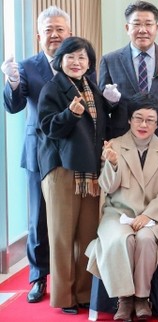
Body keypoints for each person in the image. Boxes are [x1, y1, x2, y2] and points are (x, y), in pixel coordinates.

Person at [37, 36, 118, 314]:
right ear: (60, 60)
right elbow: (49, 128)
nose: (76, 62)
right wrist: (69, 114)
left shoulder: (91, 88)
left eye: (82, 57)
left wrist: (113, 104)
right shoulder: (52, 88)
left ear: (89, 62)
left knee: (87, 236)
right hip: (62, 170)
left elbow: (100, 127)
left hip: (90, 172)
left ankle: (84, 292)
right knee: (62, 237)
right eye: (71, 56)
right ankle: (64, 297)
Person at [1, 6, 71, 303]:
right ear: (39, 34)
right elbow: (14, 105)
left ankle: (73, 277)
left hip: (73, 149)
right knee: (38, 217)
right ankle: (38, 277)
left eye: (60, 29)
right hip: (38, 150)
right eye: (49, 30)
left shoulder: (79, 61)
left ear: (69, 33)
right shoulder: (28, 66)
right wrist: (12, 82)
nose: (54, 35)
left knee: (73, 216)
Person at [85, 93, 158, 321]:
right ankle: (124, 298)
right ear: (129, 120)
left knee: (145, 239)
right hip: (118, 214)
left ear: (157, 124)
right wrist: (113, 164)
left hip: (153, 216)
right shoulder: (114, 145)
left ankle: (142, 297)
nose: (144, 125)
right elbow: (107, 187)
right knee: (122, 239)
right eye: (138, 118)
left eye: (150, 120)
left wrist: (149, 215)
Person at [99, 0, 158, 144]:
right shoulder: (110, 60)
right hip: (122, 137)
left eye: (148, 24)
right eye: (137, 24)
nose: (143, 30)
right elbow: (101, 107)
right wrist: (110, 101)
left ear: (156, 28)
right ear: (127, 28)